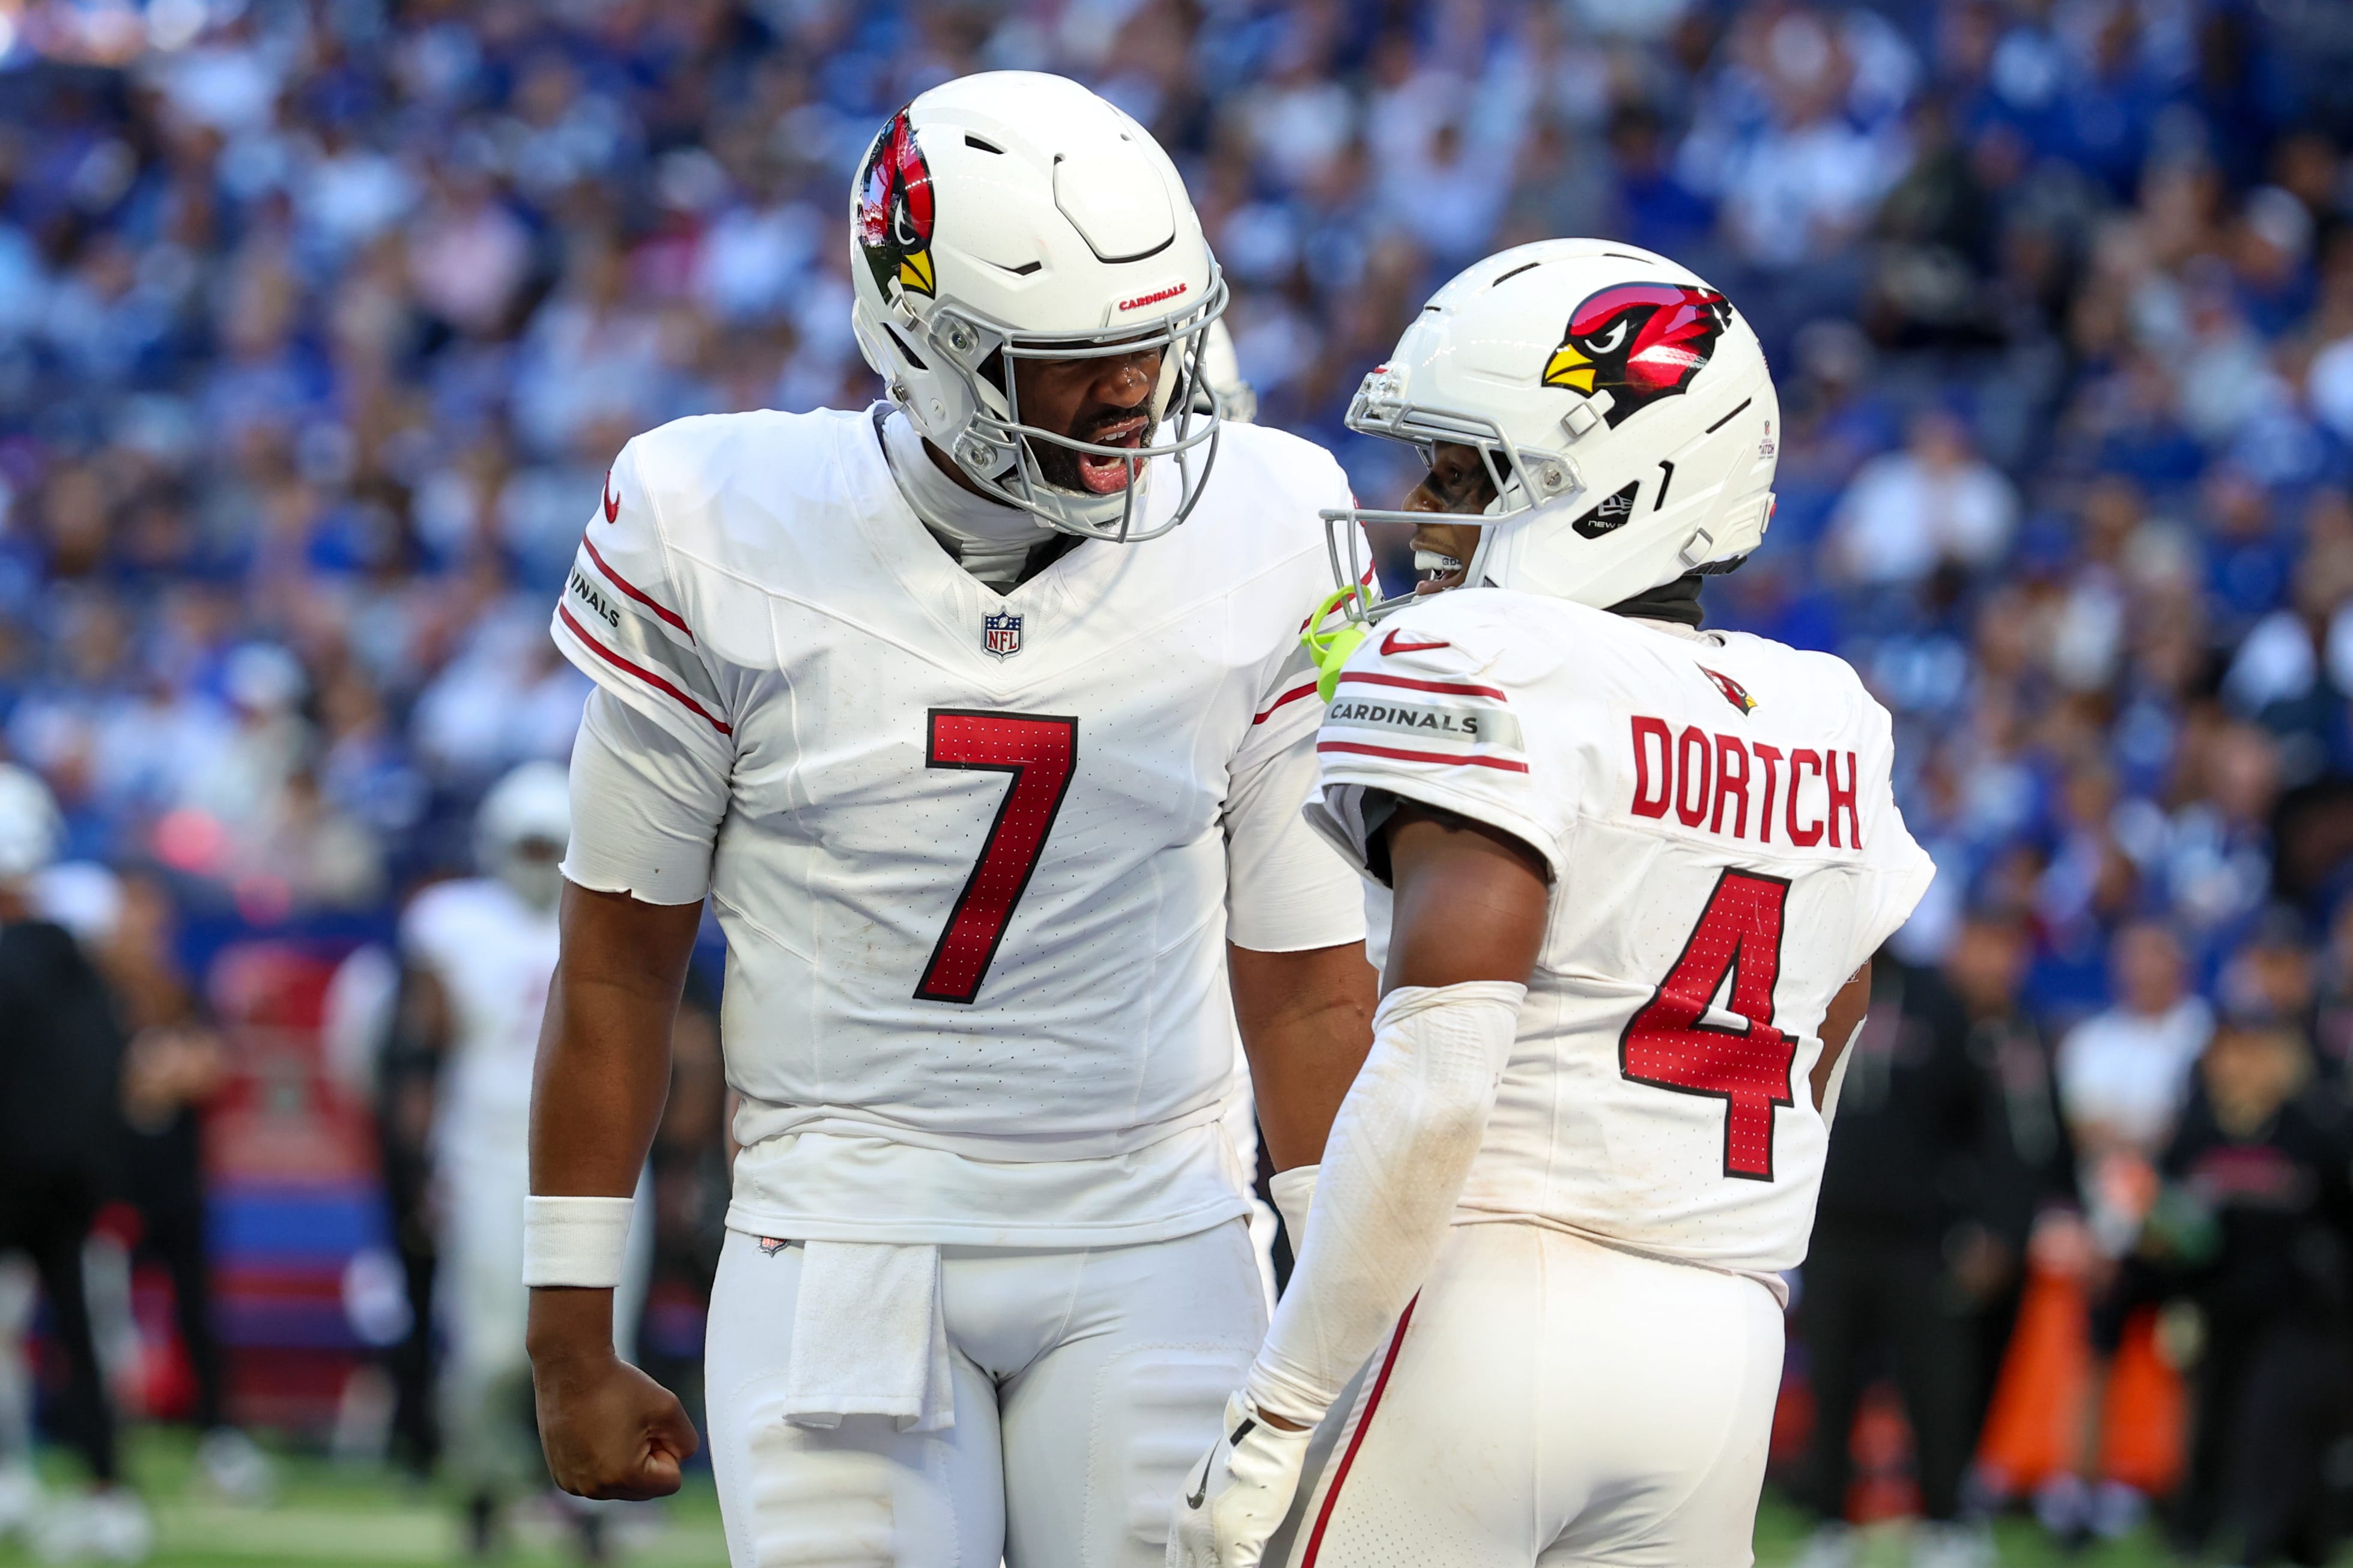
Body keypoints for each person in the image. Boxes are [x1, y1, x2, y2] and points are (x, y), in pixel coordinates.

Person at [524, 73, 1377, 1568]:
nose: (1134, 393)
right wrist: (565, 1330)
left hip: (1160, 1225)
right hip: (842, 1219)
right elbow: (614, 969)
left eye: (1153, 342)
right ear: (923, 345)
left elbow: (1308, 984)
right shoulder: (713, 520)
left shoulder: (1273, 520)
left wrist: (1358, 1317)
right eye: (1073, 359)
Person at [1171, 238, 1934, 1567]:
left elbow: (1437, 1082)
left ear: (1608, 489)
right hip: (1722, 1333)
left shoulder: (1492, 659)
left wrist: (1277, 1402)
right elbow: (1820, 1045)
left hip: (1493, 1301)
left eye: (1461, 474)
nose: (1417, 510)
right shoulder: (1825, 714)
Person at [402, 761, 654, 1558]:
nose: (540, 859)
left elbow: (662, 1038)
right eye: (528, 843)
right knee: (486, 1350)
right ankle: (485, 1479)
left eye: (553, 844)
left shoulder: (616, 912)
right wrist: (417, 1162)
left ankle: (596, 1507)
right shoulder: (453, 921)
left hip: (603, 1158)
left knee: (605, 1343)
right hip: (486, 1155)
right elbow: (418, 1048)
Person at [1787, 952, 1991, 1568]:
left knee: (1934, 1386)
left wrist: (1978, 1219)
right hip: (1828, 1228)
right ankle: (1827, 1522)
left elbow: (1976, 1120)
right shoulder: (1808, 977)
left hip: (1916, 1234)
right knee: (1828, 1383)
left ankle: (1944, 1522)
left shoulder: (1937, 997)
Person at [0, 766, 150, 1562]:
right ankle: (107, 1491)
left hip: (12, 1178)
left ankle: (16, 1474)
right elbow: (110, 1070)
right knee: (82, 1341)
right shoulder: (74, 956)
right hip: (71, 1187)